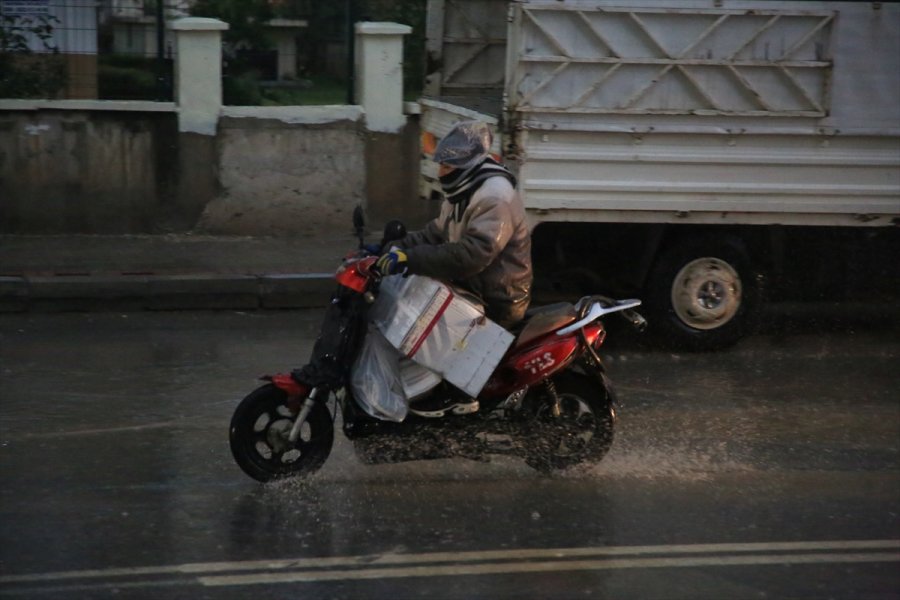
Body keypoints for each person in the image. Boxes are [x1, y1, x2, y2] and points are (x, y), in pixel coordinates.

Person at [375, 120, 533, 417]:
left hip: (498, 294)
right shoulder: (462, 192)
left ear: (468, 165)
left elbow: (473, 255)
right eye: (442, 165)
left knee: (434, 310)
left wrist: (410, 259)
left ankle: (457, 394)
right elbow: (435, 234)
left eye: (447, 166)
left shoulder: (494, 196)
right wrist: (391, 249)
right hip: (474, 283)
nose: (441, 172)